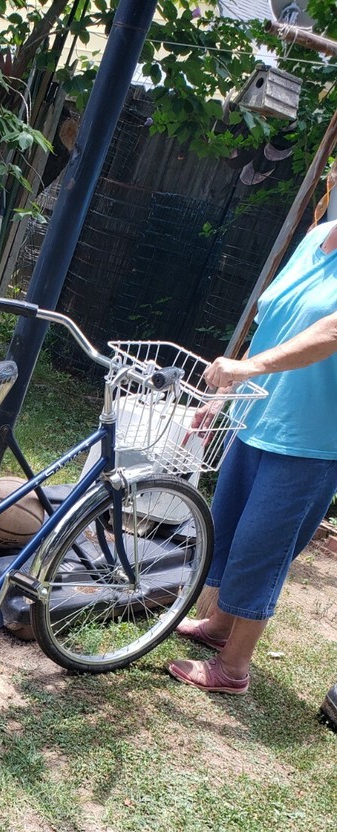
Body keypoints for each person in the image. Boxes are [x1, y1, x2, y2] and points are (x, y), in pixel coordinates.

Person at [167, 215, 337, 695]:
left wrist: (250, 367)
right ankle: (219, 626)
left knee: (264, 546)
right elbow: (271, 324)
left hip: (312, 437)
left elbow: (331, 331)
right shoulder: (310, 241)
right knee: (230, 529)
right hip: (257, 418)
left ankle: (235, 667)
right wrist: (225, 393)